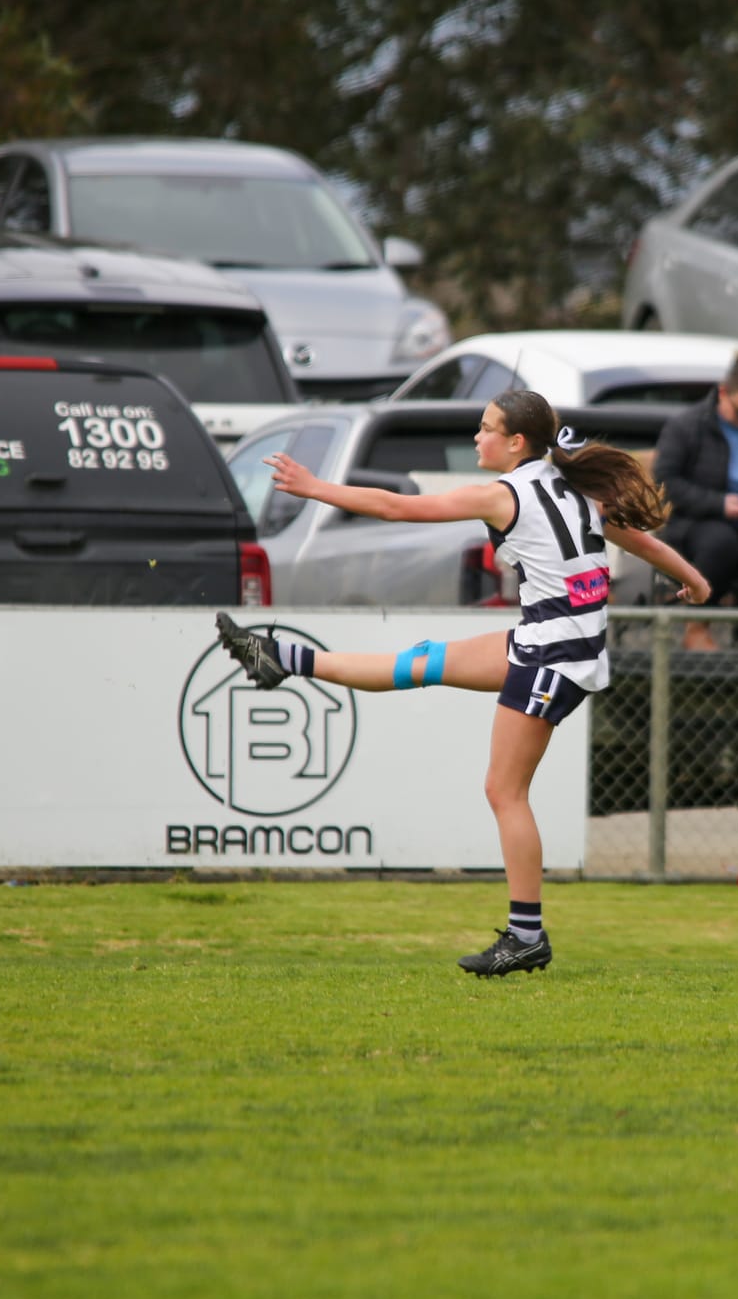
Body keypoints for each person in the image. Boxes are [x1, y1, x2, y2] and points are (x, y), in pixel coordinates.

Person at [216, 390, 711, 978]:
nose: (478, 438)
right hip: (549, 643)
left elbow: (397, 509)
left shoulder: (505, 495)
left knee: (505, 792)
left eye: (485, 429)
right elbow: (640, 540)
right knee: (420, 662)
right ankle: (281, 660)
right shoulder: (573, 487)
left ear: (516, 442)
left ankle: (527, 936)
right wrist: (695, 581)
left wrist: (315, 486)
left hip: (553, 655)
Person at [654, 352, 738, 651]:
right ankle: (697, 626)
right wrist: (719, 504)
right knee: (721, 543)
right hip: (697, 521)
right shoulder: (686, 426)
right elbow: (666, 482)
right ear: (723, 394)